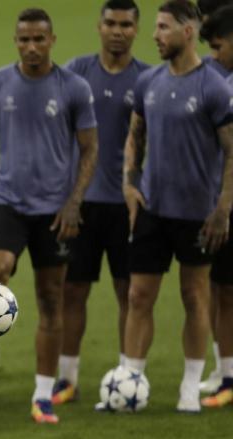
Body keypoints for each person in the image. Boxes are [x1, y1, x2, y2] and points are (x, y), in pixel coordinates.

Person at [0, 8, 98, 424]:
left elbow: (90, 148)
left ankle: (43, 394)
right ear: (16, 41)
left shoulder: (73, 88)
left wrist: (75, 201)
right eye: (24, 39)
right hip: (7, 200)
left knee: (50, 298)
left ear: (52, 41)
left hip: (55, 210)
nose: (31, 47)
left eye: (39, 39)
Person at [123, 0, 233, 413]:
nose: (155, 35)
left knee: (194, 296)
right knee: (138, 296)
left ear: (188, 32)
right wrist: (130, 184)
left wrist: (223, 207)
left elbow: (231, 151)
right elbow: (136, 136)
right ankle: (131, 380)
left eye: (164, 28)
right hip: (153, 209)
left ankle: (190, 387)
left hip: (197, 214)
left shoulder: (214, 87)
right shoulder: (149, 81)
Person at [53, 0, 149, 405]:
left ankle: (128, 376)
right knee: (72, 291)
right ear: (99, 26)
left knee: (129, 292)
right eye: (111, 22)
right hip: (83, 204)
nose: (117, 30)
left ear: (136, 30)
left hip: (128, 206)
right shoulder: (76, 73)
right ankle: (67, 377)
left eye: (126, 24)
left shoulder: (148, 79)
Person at [198, 5, 233, 402]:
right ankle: (225, 371)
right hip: (215, 200)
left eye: (218, 45)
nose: (213, 51)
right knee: (216, 286)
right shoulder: (211, 76)